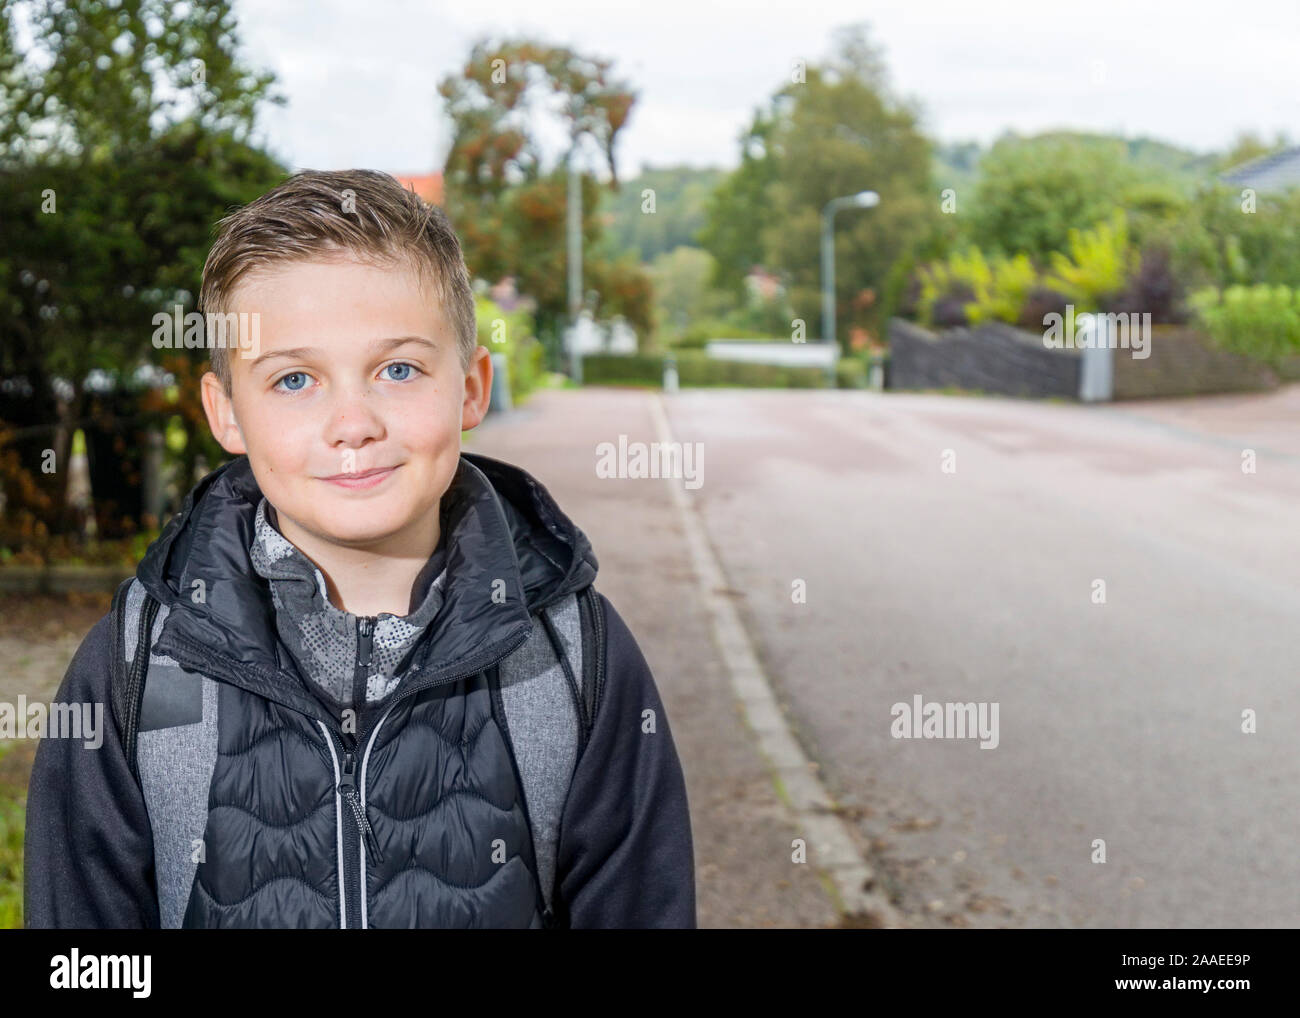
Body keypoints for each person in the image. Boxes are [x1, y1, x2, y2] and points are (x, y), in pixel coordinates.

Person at [23, 169, 696, 929]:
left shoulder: (579, 658)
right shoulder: (133, 666)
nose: (353, 423)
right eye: (294, 379)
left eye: (398, 369)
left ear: (472, 388)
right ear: (227, 413)